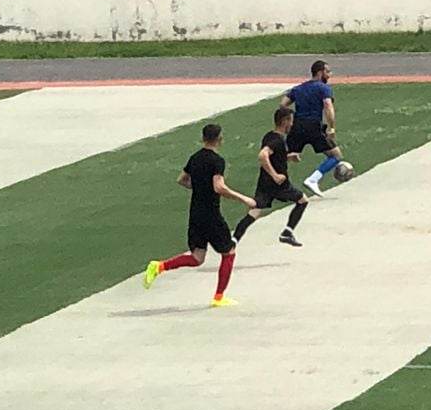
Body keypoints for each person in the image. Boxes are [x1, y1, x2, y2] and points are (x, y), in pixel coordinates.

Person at [142, 122, 257, 307]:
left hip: (195, 213)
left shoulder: (194, 158)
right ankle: (219, 297)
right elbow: (219, 187)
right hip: (211, 215)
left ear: (203, 138)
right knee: (229, 252)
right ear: (219, 139)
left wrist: (199, 188)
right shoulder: (217, 161)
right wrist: (244, 199)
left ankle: (159, 266)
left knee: (197, 257)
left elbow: (182, 179)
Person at [234, 106, 309, 247]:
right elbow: (263, 155)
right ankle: (287, 233)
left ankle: (233, 240)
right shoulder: (278, 140)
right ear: (284, 121)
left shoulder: (269, 136)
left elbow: (274, 157)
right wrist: (275, 175)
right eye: (291, 121)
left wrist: (288, 157)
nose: (292, 124)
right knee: (302, 200)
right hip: (279, 184)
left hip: (264, 183)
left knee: (254, 212)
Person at [283, 60, 350, 196]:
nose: (329, 75)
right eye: (327, 72)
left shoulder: (298, 88)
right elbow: (328, 106)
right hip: (314, 126)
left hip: (297, 127)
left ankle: (275, 185)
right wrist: (331, 127)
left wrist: (290, 122)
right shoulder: (323, 88)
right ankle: (313, 179)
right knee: (336, 156)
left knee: (283, 156)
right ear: (320, 73)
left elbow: (283, 105)